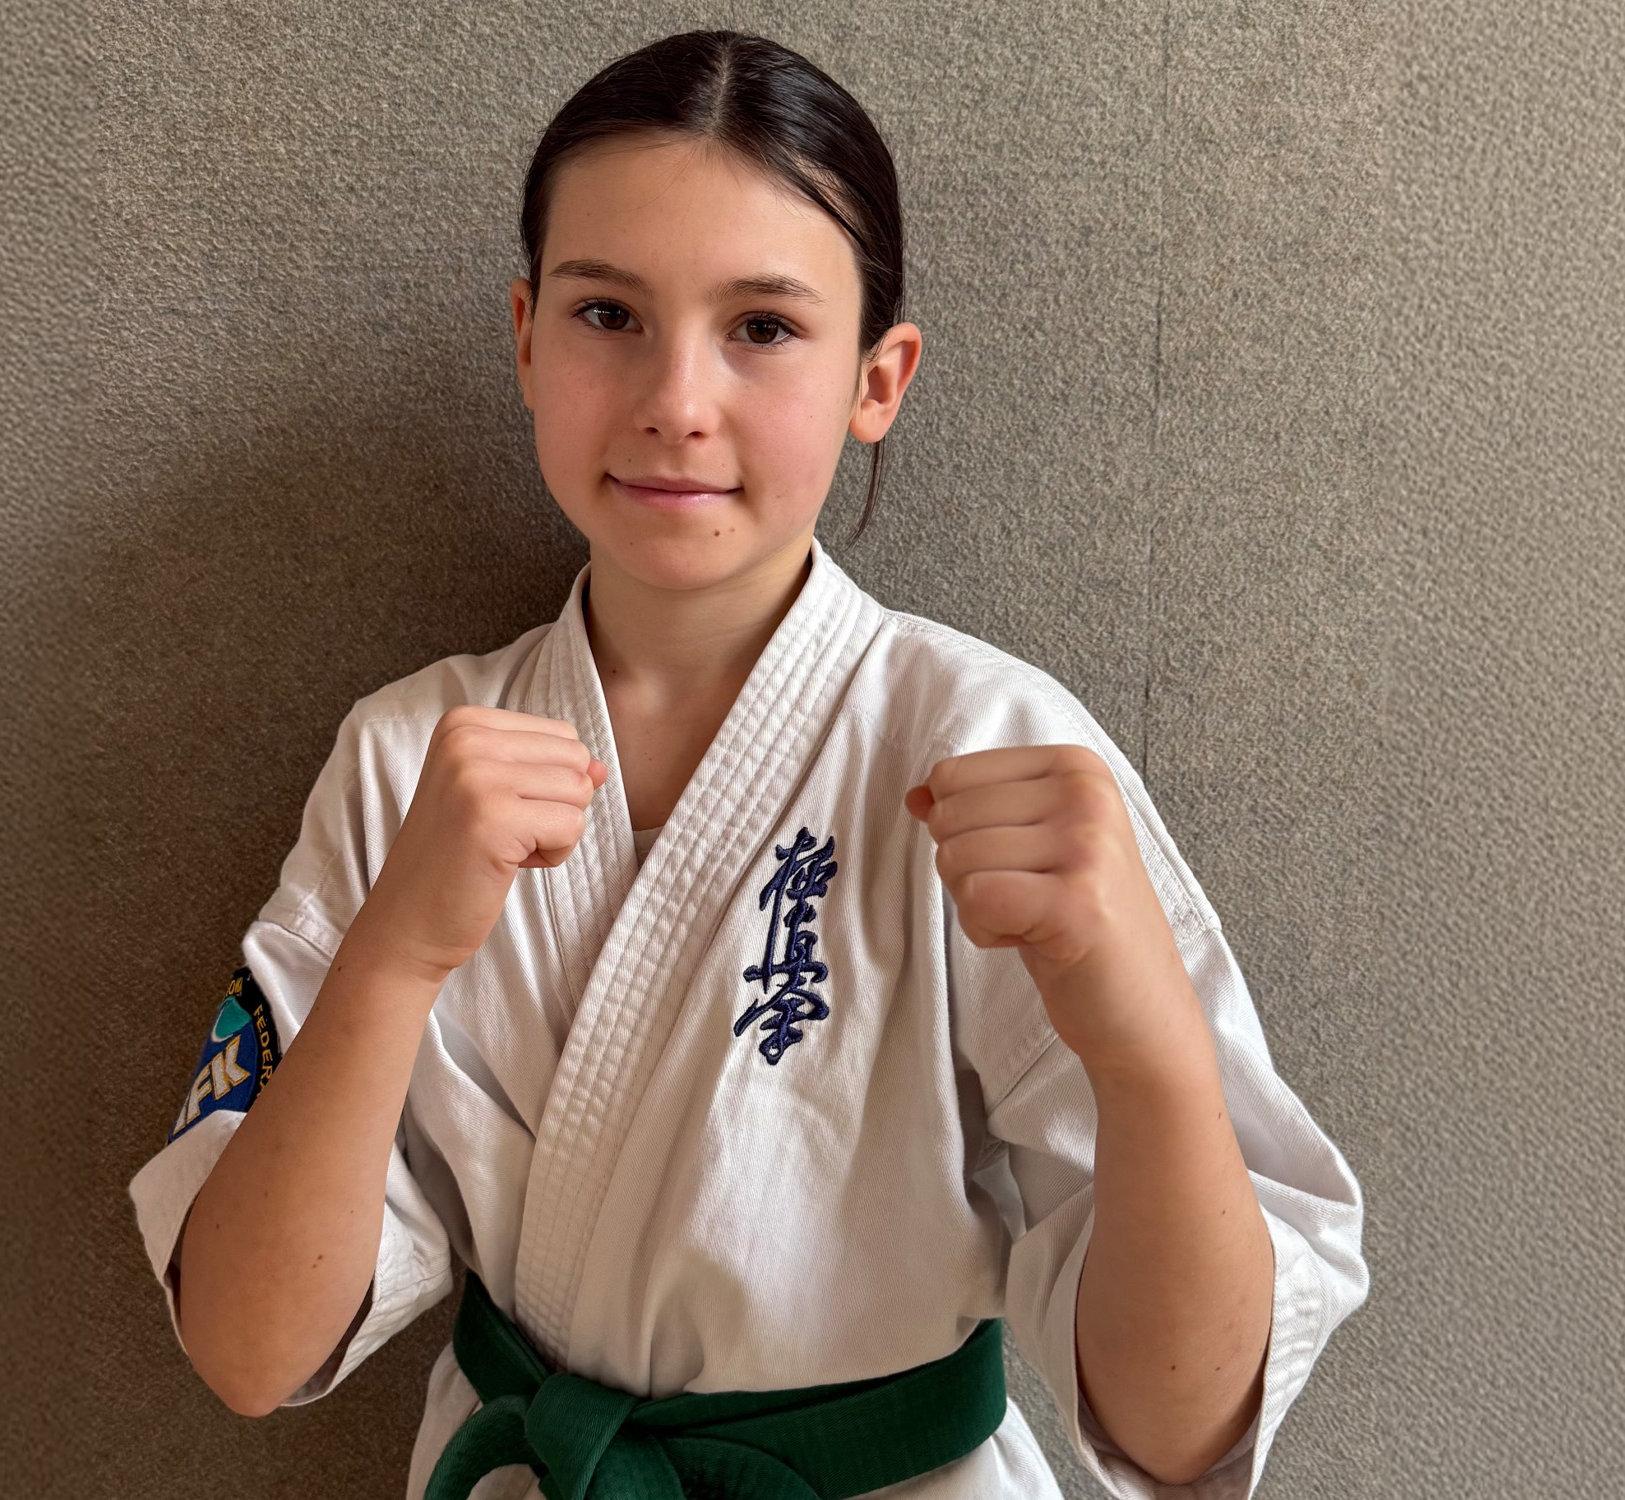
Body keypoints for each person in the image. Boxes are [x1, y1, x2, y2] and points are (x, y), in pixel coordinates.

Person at [128, 29, 1368, 1500]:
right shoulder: (415, 761)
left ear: (877, 379)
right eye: (607, 314)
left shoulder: (991, 752)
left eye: (764, 327)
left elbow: (1183, 1427)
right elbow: (249, 1349)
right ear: (524, 337)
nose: (676, 398)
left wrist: (1145, 1040)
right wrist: (394, 955)